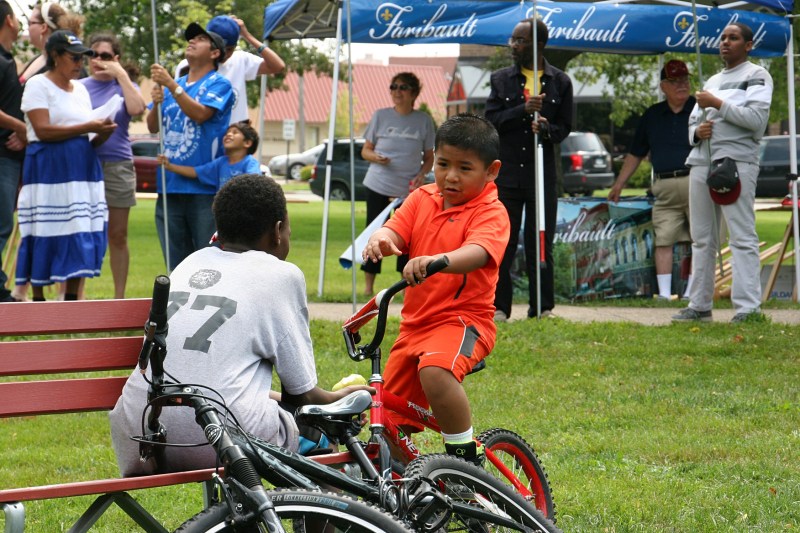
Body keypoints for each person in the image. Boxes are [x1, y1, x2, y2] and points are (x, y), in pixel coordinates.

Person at [109, 174, 373, 475]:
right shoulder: (281, 275)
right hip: (220, 440)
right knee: (320, 433)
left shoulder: (189, 263)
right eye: (288, 229)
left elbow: (206, 378)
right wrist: (345, 399)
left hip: (143, 435)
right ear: (277, 231)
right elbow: (301, 396)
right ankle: (324, 512)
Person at [362, 113, 510, 464]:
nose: (451, 176)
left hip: (463, 321)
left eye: (465, 168)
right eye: (443, 164)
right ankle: (407, 492)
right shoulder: (422, 198)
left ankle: (464, 459)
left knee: (435, 371)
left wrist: (437, 259)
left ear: (491, 171)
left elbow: (478, 252)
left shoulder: (490, 210)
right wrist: (382, 238)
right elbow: (396, 229)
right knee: (385, 422)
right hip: (414, 327)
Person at [672, 22, 773, 324]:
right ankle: (700, 305)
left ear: (749, 45)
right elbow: (692, 123)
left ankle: (748, 308)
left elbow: (756, 120)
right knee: (702, 238)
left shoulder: (757, 75)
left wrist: (717, 103)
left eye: (734, 38)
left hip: (736, 163)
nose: (726, 42)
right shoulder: (712, 79)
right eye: (723, 37)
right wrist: (697, 132)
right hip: (702, 162)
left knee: (741, 236)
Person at [16, 30, 116, 301]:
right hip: (49, 170)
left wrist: (103, 131)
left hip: (81, 169)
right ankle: (38, 300)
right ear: (54, 56)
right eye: (73, 57)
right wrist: (89, 126)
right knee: (44, 229)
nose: (79, 63)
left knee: (78, 228)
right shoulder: (38, 85)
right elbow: (43, 130)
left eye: (81, 58)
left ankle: (71, 302)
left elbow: (87, 136)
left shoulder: (81, 89)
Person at [486, 17, 573, 321]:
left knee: (541, 242)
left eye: (520, 40)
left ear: (538, 44)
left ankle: (542, 307)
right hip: (508, 176)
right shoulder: (500, 80)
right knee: (503, 244)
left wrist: (547, 128)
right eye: (513, 39)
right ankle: (499, 307)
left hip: (541, 177)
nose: (514, 45)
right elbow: (492, 121)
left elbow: (565, 128)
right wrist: (522, 111)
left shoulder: (560, 81)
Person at [147, 22, 234, 271]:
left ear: (215, 52)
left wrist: (172, 87)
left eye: (200, 39)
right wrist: (157, 102)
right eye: (190, 38)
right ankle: (177, 306)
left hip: (203, 188)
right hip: (169, 185)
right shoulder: (174, 84)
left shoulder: (220, 84)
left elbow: (201, 114)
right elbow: (153, 126)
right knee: (176, 262)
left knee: (207, 258)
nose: (191, 41)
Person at [608, 59, 695, 301]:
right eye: (675, 81)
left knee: (701, 239)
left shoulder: (701, 109)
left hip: (695, 181)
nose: (681, 85)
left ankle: (693, 293)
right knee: (663, 238)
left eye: (685, 80)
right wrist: (619, 184)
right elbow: (636, 153)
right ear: (663, 86)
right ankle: (665, 295)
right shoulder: (652, 115)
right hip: (664, 186)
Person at [78, 32, 145, 300]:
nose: (98, 60)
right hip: (84, 164)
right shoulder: (79, 86)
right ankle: (75, 297)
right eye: (93, 54)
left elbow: (138, 108)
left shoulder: (124, 85)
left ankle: (119, 298)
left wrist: (121, 75)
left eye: (105, 56)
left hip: (118, 164)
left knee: (117, 235)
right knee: (82, 230)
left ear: (116, 58)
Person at [360, 72, 435, 295]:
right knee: (374, 232)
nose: (397, 91)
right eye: (393, 87)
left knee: (407, 237)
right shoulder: (380, 116)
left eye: (402, 87)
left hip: (408, 190)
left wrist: (422, 174)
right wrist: (376, 158)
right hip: (378, 184)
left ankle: (404, 287)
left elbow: (429, 156)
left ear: (414, 92)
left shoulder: (423, 120)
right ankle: (368, 288)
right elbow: (365, 150)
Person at [175, 15, 285, 124]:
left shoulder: (240, 59)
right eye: (220, 48)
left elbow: (278, 66)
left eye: (229, 49)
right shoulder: (187, 66)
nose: (225, 54)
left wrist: (247, 36)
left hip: (233, 136)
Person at [0, 0, 25, 302]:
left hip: (9, 157)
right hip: (2, 157)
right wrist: (21, 128)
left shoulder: (8, 59)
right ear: (9, 21)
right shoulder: (2, 62)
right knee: (2, 223)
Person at [156, 120, 261, 190]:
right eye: (227, 132)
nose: (228, 134)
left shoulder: (250, 162)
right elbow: (196, 172)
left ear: (247, 143)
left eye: (235, 132)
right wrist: (170, 166)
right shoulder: (221, 163)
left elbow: (254, 182)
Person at [19, 3, 83, 83]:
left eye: (30, 23)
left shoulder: (68, 66)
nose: (28, 28)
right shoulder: (40, 58)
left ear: (43, 27)